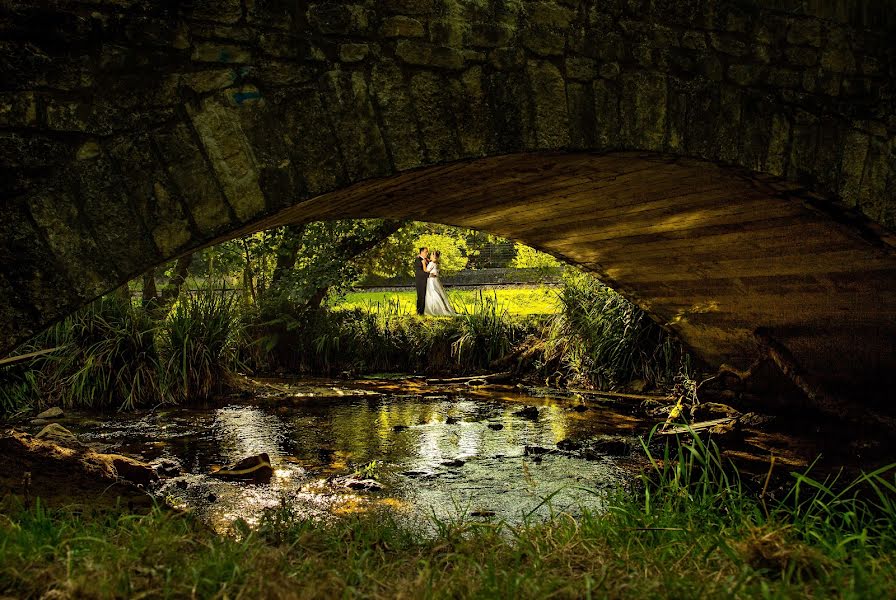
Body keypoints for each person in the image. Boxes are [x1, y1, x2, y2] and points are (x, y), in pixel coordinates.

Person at [424, 250, 456, 316]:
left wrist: (423, 263)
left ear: (433, 256)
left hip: (431, 280)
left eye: (431, 255)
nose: (430, 256)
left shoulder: (431, 264)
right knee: (437, 292)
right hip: (435, 280)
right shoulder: (436, 264)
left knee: (432, 293)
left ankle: (434, 309)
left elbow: (426, 271)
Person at [414, 246, 429, 315]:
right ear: (422, 252)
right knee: (421, 295)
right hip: (420, 281)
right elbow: (419, 272)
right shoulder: (418, 259)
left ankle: (423, 311)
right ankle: (420, 311)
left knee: (425, 295)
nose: (427, 253)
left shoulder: (426, 259)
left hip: (425, 280)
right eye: (426, 252)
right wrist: (428, 275)